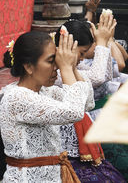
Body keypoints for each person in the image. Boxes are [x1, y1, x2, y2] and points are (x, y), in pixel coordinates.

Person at [0, 31, 95, 182]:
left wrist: (72, 66)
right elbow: (74, 112)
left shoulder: (45, 91)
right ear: (29, 67)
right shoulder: (16, 97)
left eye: (57, 60)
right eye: (51, 61)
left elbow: (87, 103)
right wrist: (66, 68)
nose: (56, 67)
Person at [55, 16, 127, 182]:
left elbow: (106, 74)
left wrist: (106, 41)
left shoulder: (72, 67)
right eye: (81, 53)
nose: (82, 58)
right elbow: (98, 77)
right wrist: (101, 42)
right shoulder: (57, 72)